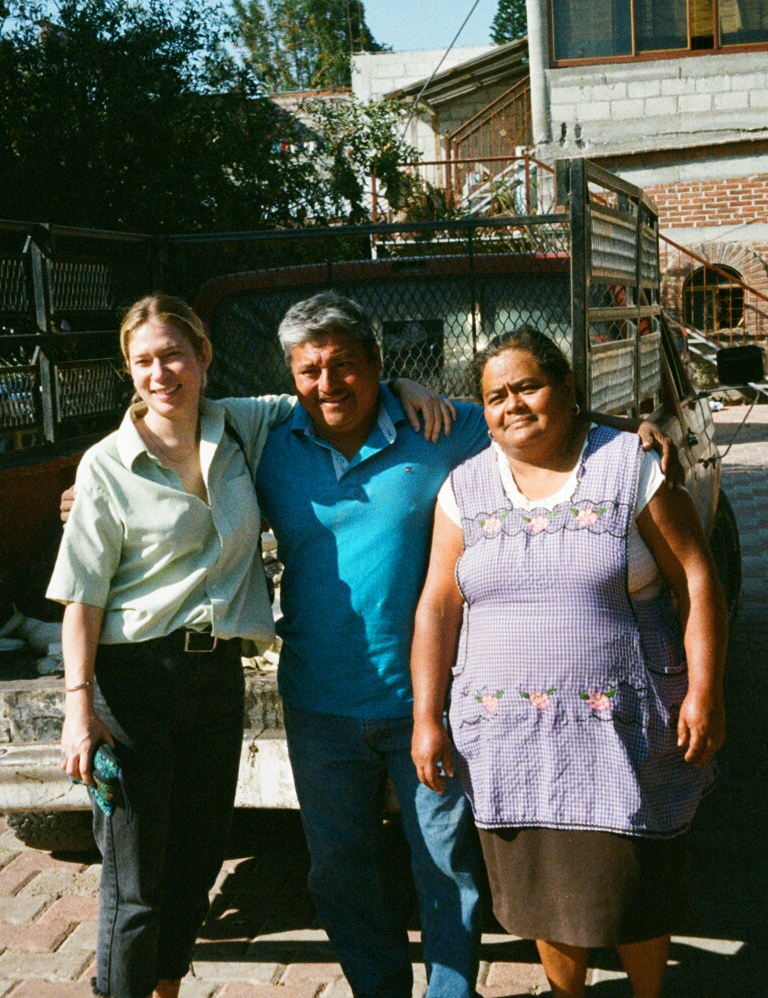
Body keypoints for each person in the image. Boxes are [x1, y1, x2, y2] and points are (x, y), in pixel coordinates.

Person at [252, 294, 680, 998]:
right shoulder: (269, 445)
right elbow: (174, 424)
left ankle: (452, 993)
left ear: (379, 368)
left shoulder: (443, 426)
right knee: (338, 866)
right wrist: (90, 480)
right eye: (310, 370)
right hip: (318, 697)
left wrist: (633, 430)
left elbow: (536, 416)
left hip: (433, 694)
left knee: (445, 865)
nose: (328, 384)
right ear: (292, 376)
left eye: (346, 366)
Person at [48, 293, 447, 998]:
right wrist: (78, 706)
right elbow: (82, 596)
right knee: (136, 879)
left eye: (173, 354)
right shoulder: (107, 466)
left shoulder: (240, 425)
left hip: (214, 679)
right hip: (134, 677)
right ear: (128, 372)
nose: (160, 372)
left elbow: (333, 392)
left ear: (203, 356)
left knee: (198, 859)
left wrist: (405, 389)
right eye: (143, 361)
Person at [410, 326, 727, 998]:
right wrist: (426, 717)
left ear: (568, 389)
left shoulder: (629, 465)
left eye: (529, 386)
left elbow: (697, 581)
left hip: (624, 733)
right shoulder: (463, 489)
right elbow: (438, 607)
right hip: (509, 739)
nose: (513, 404)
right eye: (496, 395)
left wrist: (705, 690)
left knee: (634, 883)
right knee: (541, 895)